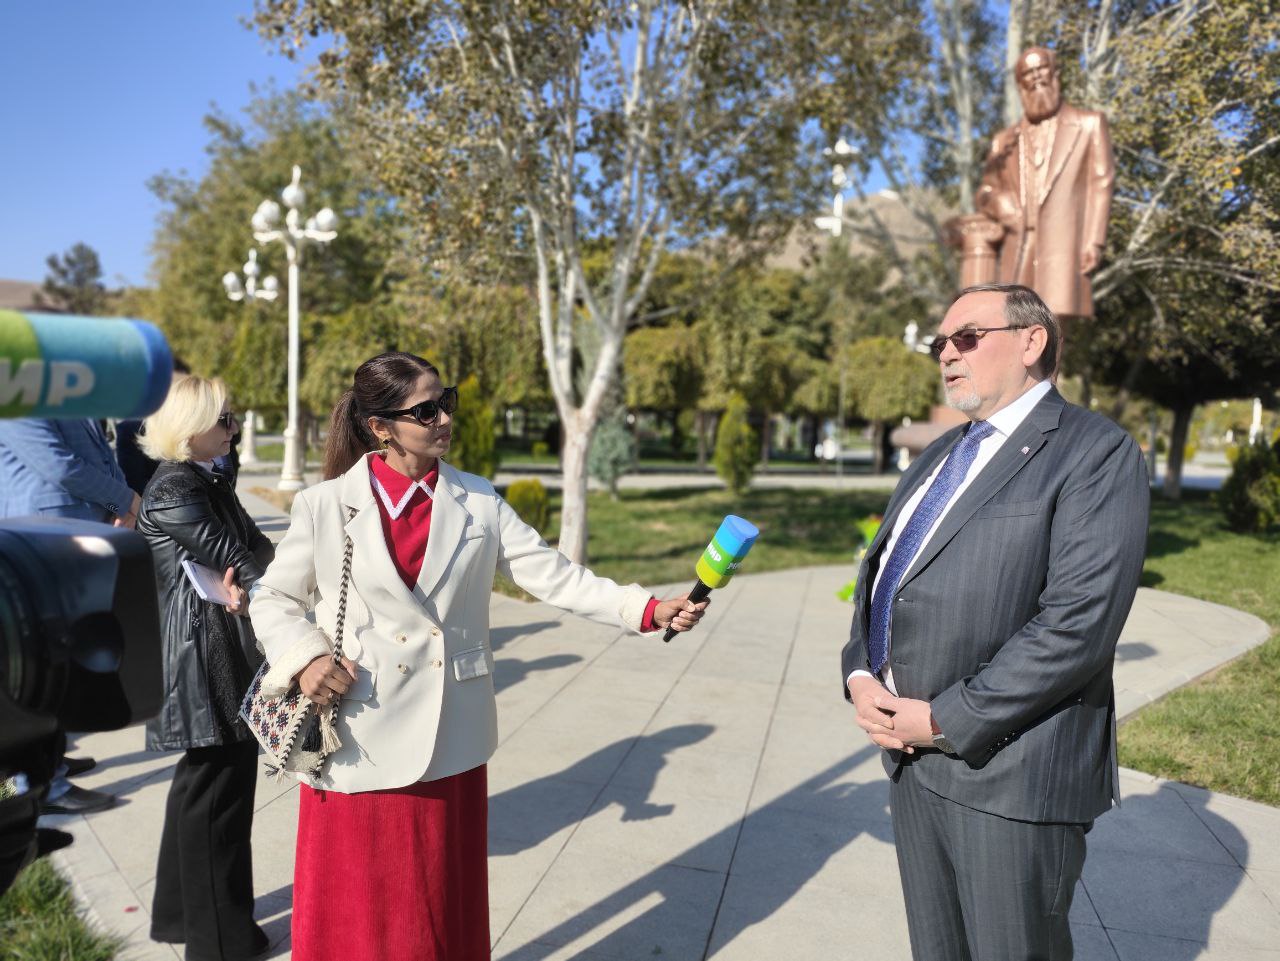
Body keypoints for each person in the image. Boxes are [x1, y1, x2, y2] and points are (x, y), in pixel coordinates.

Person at [250, 351, 709, 961]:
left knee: (441, 904)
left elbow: (554, 576)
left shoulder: (479, 501)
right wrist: (305, 658)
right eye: (425, 409)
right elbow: (273, 597)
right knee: (360, 904)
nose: (444, 418)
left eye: (448, 402)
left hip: (451, 731)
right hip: (360, 730)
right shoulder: (325, 504)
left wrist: (645, 610)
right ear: (380, 426)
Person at [841, 284, 1149, 960]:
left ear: (1032, 341)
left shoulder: (1095, 453)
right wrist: (862, 671)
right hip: (911, 763)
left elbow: (1078, 625)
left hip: (1010, 776)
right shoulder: (939, 454)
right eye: (939, 344)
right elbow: (881, 580)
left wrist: (945, 717)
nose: (947, 353)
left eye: (967, 337)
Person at [136, 376, 275, 961]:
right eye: (225, 420)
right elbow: (239, 555)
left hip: (210, 647)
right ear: (191, 429)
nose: (234, 427)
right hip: (201, 657)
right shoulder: (176, 488)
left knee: (203, 787)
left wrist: (265, 570)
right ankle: (219, 944)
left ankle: (179, 917)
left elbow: (258, 549)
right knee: (218, 792)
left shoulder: (203, 479)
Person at [0, 416, 140, 816]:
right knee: (41, 668)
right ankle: (43, 789)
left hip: (68, 535)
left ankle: (52, 762)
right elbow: (58, 463)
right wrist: (127, 500)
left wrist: (122, 502)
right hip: (37, 539)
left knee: (63, 661)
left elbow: (98, 453)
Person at [976, 47, 1114, 319]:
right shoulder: (1004, 140)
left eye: (1041, 69)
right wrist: (999, 204)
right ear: (1020, 84)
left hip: (1063, 247)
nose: (1036, 77)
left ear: (1056, 73)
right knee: (1011, 324)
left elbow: (1102, 183)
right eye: (1028, 73)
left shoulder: (1089, 124)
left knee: (1054, 328)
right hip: (1018, 245)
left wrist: (1094, 242)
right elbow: (985, 191)